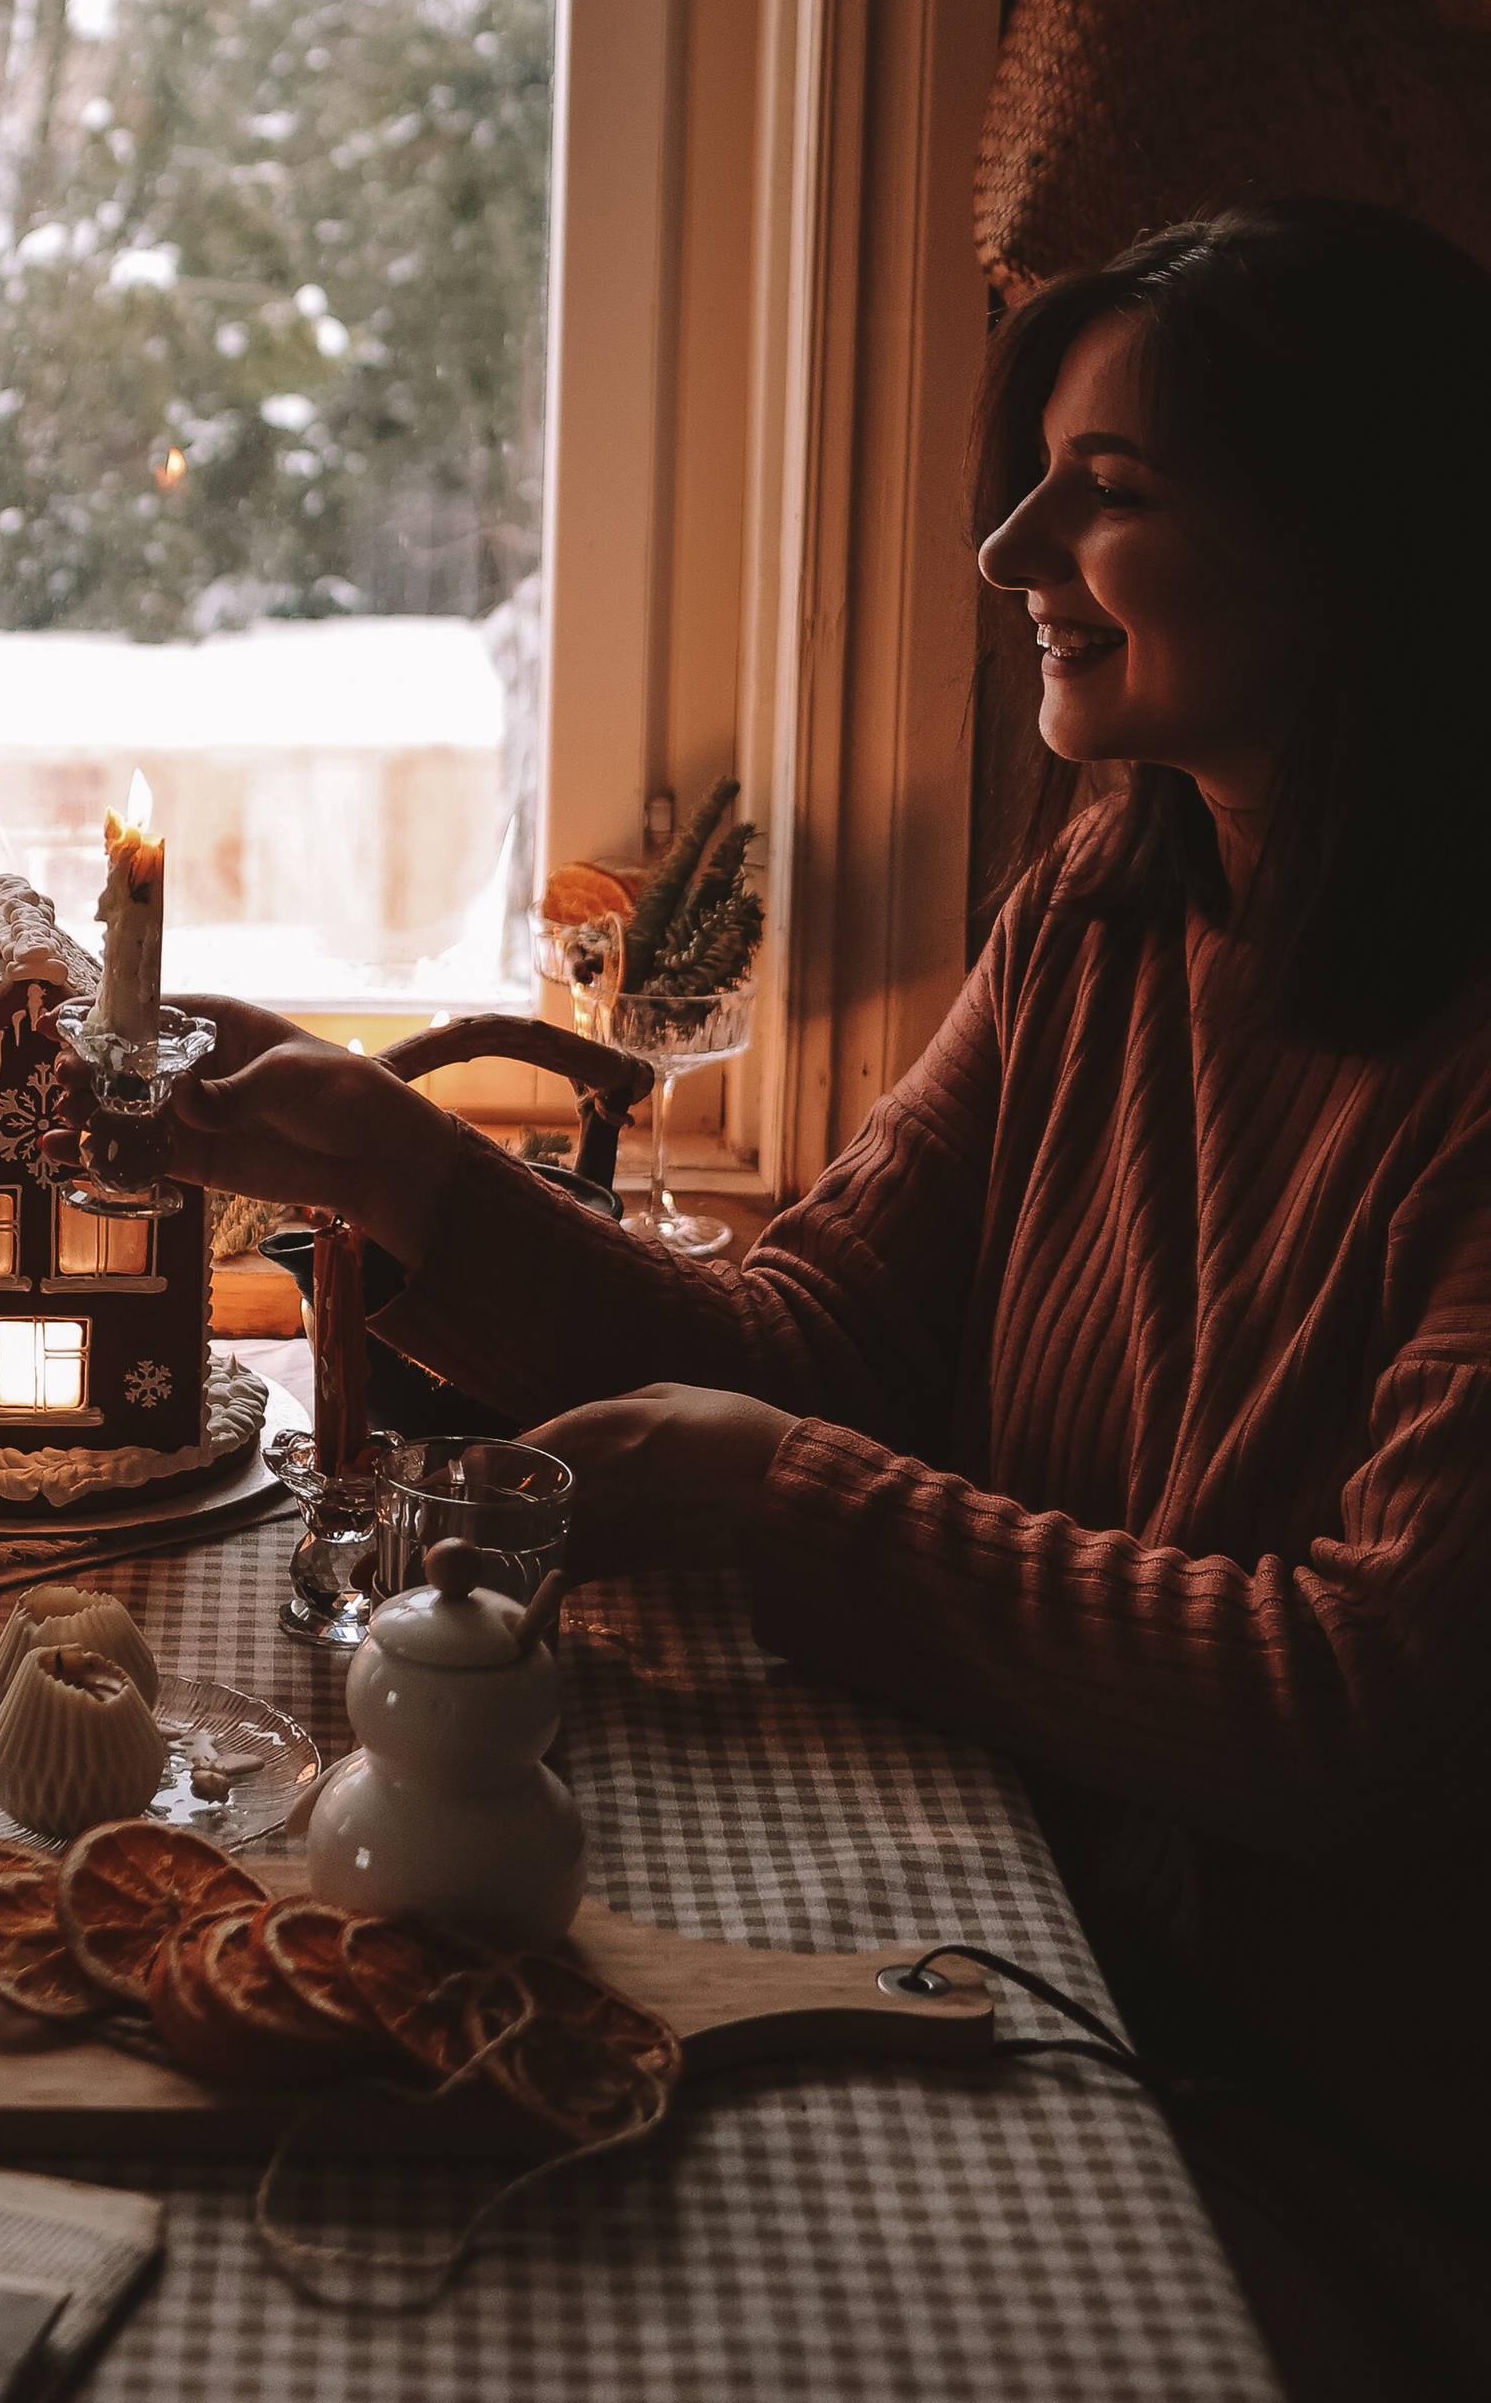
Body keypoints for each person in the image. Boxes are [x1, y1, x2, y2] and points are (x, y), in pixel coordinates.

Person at [151, 200, 1491, 2394]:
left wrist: (784, 1504)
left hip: (1338, 2125)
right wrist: (398, 1175)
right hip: (1058, 1962)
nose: (1008, 543)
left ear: (1351, 551)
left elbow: (1355, 1716)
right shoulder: (1106, 907)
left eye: (1110, 489)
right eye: (1034, 468)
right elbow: (809, 1345)